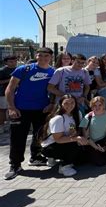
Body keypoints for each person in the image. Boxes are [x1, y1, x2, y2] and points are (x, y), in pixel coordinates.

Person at [4, 48, 55, 180]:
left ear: (51, 57)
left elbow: (54, 90)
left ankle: (35, 157)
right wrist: (11, 107)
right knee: (17, 138)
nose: (43, 58)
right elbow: (10, 89)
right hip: (21, 110)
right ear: (36, 56)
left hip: (41, 110)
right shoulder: (24, 69)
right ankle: (15, 165)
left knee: (39, 136)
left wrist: (51, 104)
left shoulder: (53, 72)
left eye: (46, 56)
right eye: (40, 55)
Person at [41, 95, 89, 177]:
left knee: (81, 159)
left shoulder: (77, 114)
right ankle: (64, 167)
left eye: (72, 102)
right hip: (50, 146)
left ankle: (53, 160)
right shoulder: (58, 118)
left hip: (64, 142)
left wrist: (75, 134)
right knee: (74, 145)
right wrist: (76, 138)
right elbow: (58, 140)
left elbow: (73, 128)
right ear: (61, 104)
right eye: (66, 103)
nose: (69, 105)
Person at [79, 96, 106, 166]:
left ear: (104, 105)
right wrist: (96, 147)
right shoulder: (88, 117)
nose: (97, 107)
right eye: (94, 105)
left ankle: (104, 152)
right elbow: (86, 137)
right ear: (91, 106)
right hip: (92, 143)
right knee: (101, 163)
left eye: (100, 105)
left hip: (104, 139)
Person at [0, 56, 17, 132]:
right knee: (3, 110)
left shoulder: (18, 69)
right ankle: (1, 126)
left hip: (16, 93)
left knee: (15, 109)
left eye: (15, 61)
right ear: (6, 62)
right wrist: (11, 80)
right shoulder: (2, 71)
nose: (13, 63)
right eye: (11, 61)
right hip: (3, 93)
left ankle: (13, 125)